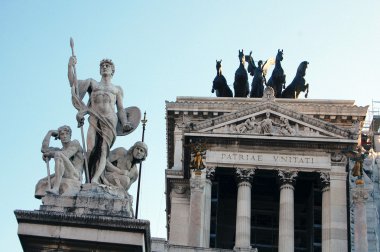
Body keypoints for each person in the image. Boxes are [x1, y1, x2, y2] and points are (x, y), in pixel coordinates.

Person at [68, 56, 133, 184]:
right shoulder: (93, 83)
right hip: (94, 117)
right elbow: (73, 84)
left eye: (107, 65)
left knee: (104, 150)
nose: (104, 67)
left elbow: (120, 108)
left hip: (110, 120)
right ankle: (85, 178)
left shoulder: (117, 89)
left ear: (112, 71)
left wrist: (124, 122)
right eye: (102, 66)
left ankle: (96, 179)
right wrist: (70, 66)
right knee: (90, 149)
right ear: (99, 70)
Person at [35, 125, 84, 198]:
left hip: (75, 175)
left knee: (59, 155)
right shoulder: (60, 150)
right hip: (64, 174)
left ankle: (56, 188)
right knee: (41, 182)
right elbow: (44, 149)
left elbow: (66, 154)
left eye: (67, 134)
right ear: (59, 137)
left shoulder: (75, 143)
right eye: (62, 134)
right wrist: (50, 133)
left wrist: (49, 154)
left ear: (70, 135)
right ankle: (49, 197)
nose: (64, 136)